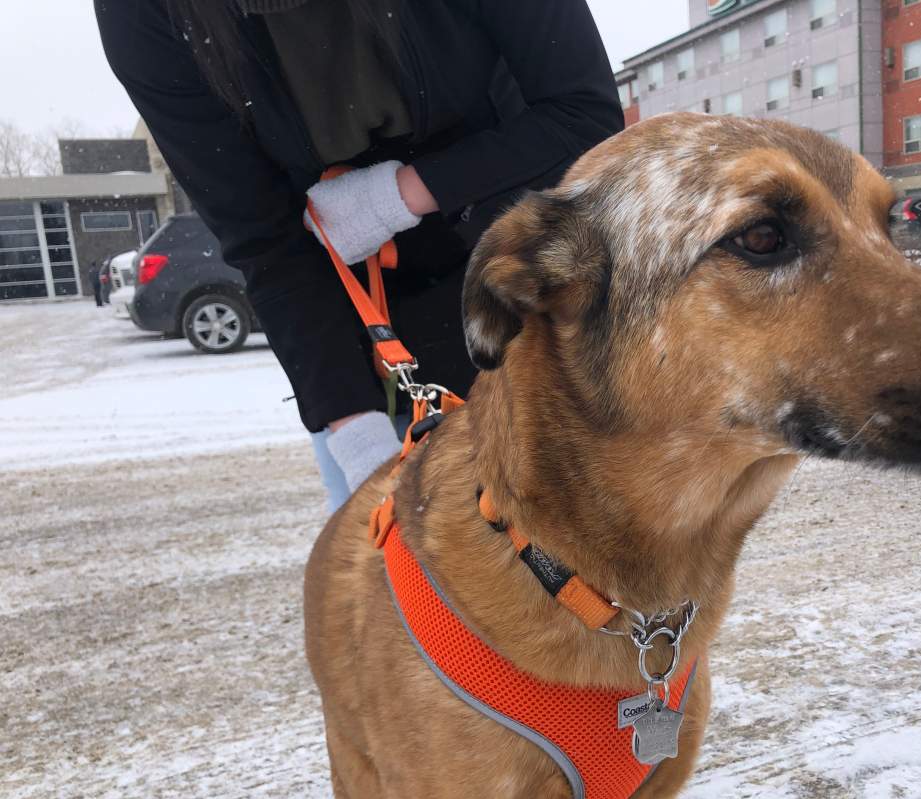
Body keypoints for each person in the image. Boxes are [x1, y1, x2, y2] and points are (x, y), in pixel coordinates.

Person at [96, 0, 623, 511]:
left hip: (525, 265)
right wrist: (358, 440)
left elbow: (583, 112)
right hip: (356, 322)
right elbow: (263, 238)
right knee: (391, 565)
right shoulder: (143, 14)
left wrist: (401, 194)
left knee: (595, 533)